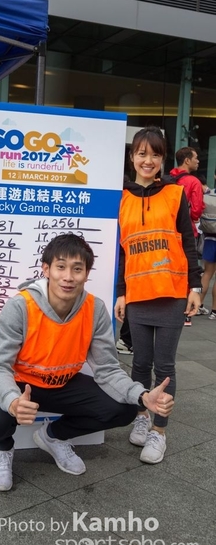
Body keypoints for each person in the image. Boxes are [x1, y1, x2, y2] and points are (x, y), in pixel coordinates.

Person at [0, 234, 174, 492]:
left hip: (60, 384)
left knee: (124, 409)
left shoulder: (94, 309)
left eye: (77, 269)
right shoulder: (21, 306)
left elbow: (107, 369)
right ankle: (3, 448)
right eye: (60, 267)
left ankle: (53, 436)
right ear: (46, 269)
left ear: (87, 273)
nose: (68, 277)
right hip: (19, 383)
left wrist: (143, 396)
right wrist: (13, 401)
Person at [114, 127, 202, 466]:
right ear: (132, 157)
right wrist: (121, 294)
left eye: (154, 154)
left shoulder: (175, 194)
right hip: (137, 294)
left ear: (162, 158)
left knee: (164, 366)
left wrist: (195, 288)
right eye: (141, 153)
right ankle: (141, 414)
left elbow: (188, 242)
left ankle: (159, 431)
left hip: (171, 293)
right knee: (139, 362)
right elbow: (121, 252)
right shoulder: (121, 196)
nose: (147, 160)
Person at [170, 147, 205, 239]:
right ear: (187, 161)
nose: (198, 161)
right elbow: (196, 212)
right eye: (196, 158)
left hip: (168, 230)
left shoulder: (167, 179)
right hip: (186, 230)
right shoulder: (194, 182)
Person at [197, 192, 216, 319]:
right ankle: (214, 311)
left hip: (209, 238)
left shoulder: (209, 195)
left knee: (207, 274)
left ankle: (198, 305)